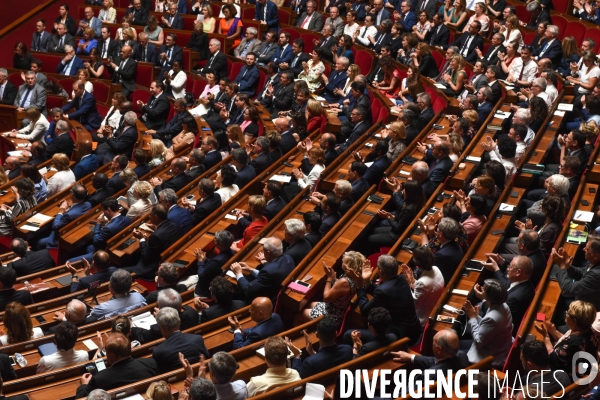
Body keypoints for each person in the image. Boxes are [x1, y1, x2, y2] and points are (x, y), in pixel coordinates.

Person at [345, 255, 422, 344]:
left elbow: (364, 310)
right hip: (414, 329)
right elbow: (384, 292)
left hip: (399, 336)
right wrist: (367, 282)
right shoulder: (401, 279)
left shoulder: (383, 290)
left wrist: (360, 286)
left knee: (348, 335)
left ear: (380, 272)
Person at [75, 333, 157, 398]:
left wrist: (84, 384)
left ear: (112, 356)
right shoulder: (150, 363)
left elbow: (81, 397)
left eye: (105, 350)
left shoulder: (99, 379)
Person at [301, 252, 363, 328]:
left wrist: (329, 278)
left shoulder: (344, 282)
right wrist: (334, 279)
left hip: (332, 315)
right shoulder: (356, 277)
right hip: (334, 307)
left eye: (344, 261)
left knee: (299, 315)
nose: (342, 261)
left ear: (348, 266)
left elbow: (326, 298)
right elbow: (341, 290)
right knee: (306, 305)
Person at [463, 279, 513, 369]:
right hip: (496, 345)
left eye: (483, 289)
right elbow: (489, 327)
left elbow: (479, 341)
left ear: (486, 296)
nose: (481, 288)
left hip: (488, 356)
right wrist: (477, 316)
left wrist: (473, 318)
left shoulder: (492, 318)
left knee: (455, 352)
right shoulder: (504, 306)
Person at [231, 237, 295, 302]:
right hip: (276, 288)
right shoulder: (288, 258)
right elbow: (270, 276)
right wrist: (250, 269)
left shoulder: (268, 271)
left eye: (263, 250)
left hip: (267, 298)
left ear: (268, 253)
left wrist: (238, 273)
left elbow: (248, 289)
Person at [125, 204, 180, 279]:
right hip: (166, 257)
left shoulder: (156, 236)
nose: (149, 217)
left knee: (120, 270)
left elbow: (145, 257)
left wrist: (141, 239)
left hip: (151, 268)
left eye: (150, 215)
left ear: (155, 217)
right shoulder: (174, 225)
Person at [152, 307, 209, 374]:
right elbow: (206, 358)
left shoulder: (158, 351)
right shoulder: (197, 339)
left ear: (162, 328)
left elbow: (160, 373)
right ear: (179, 322)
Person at [400, 246, 444, 327]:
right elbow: (426, 288)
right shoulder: (436, 268)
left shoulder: (422, 283)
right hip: (433, 304)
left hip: (423, 318)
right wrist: (412, 279)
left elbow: (414, 304)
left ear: (417, 264)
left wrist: (408, 283)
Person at [391, 329, 470, 372]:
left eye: (433, 343)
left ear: (439, 350)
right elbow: (436, 361)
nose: (432, 344)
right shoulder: (462, 356)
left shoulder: (428, 375)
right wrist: (410, 357)